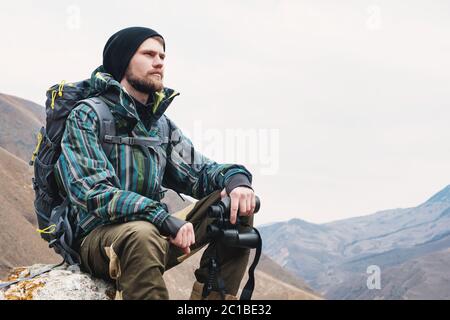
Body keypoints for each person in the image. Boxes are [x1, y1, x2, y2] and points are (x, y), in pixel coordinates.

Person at [54, 26, 257, 300]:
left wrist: (237, 180)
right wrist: (159, 217)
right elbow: (92, 192)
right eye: (149, 54)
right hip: (98, 240)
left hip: (153, 231)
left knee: (237, 205)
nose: (159, 61)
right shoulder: (87, 116)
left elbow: (200, 172)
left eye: (162, 55)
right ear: (123, 60)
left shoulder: (159, 126)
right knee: (142, 234)